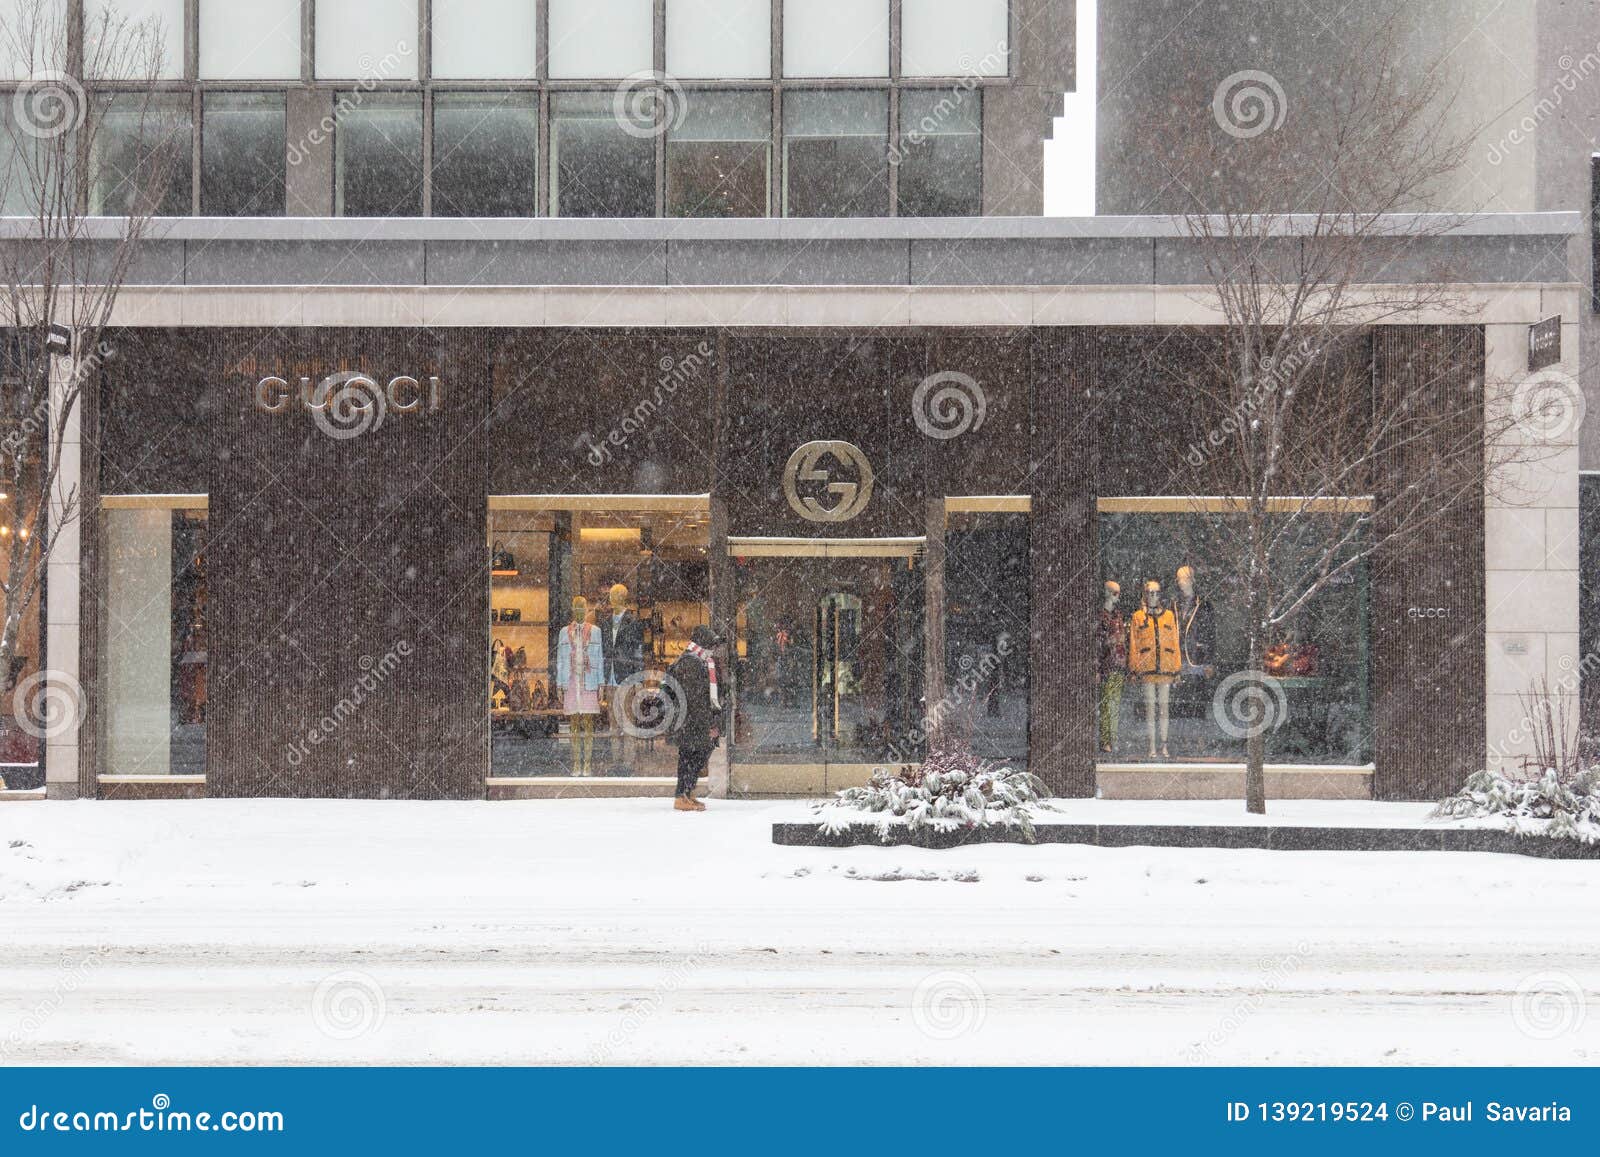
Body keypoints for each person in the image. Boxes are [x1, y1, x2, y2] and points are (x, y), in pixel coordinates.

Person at [666, 624, 726, 812]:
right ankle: (681, 795)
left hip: (692, 722)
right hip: (690, 723)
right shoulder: (691, 663)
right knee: (689, 758)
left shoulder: (699, 661)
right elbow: (696, 699)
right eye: (711, 644)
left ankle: (688, 793)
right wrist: (708, 724)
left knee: (694, 757)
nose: (713, 649)